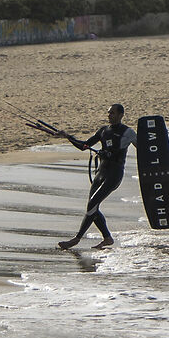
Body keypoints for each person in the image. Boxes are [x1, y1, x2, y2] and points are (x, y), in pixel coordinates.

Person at [58, 103, 131, 250]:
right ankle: (108, 238)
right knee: (92, 207)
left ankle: (76, 239)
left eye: (112, 113)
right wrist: (68, 137)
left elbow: (142, 148)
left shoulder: (127, 132)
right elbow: (84, 146)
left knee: (92, 205)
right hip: (101, 173)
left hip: (114, 174)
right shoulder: (103, 130)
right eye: (108, 113)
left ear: (121, 115)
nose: (109, 115)